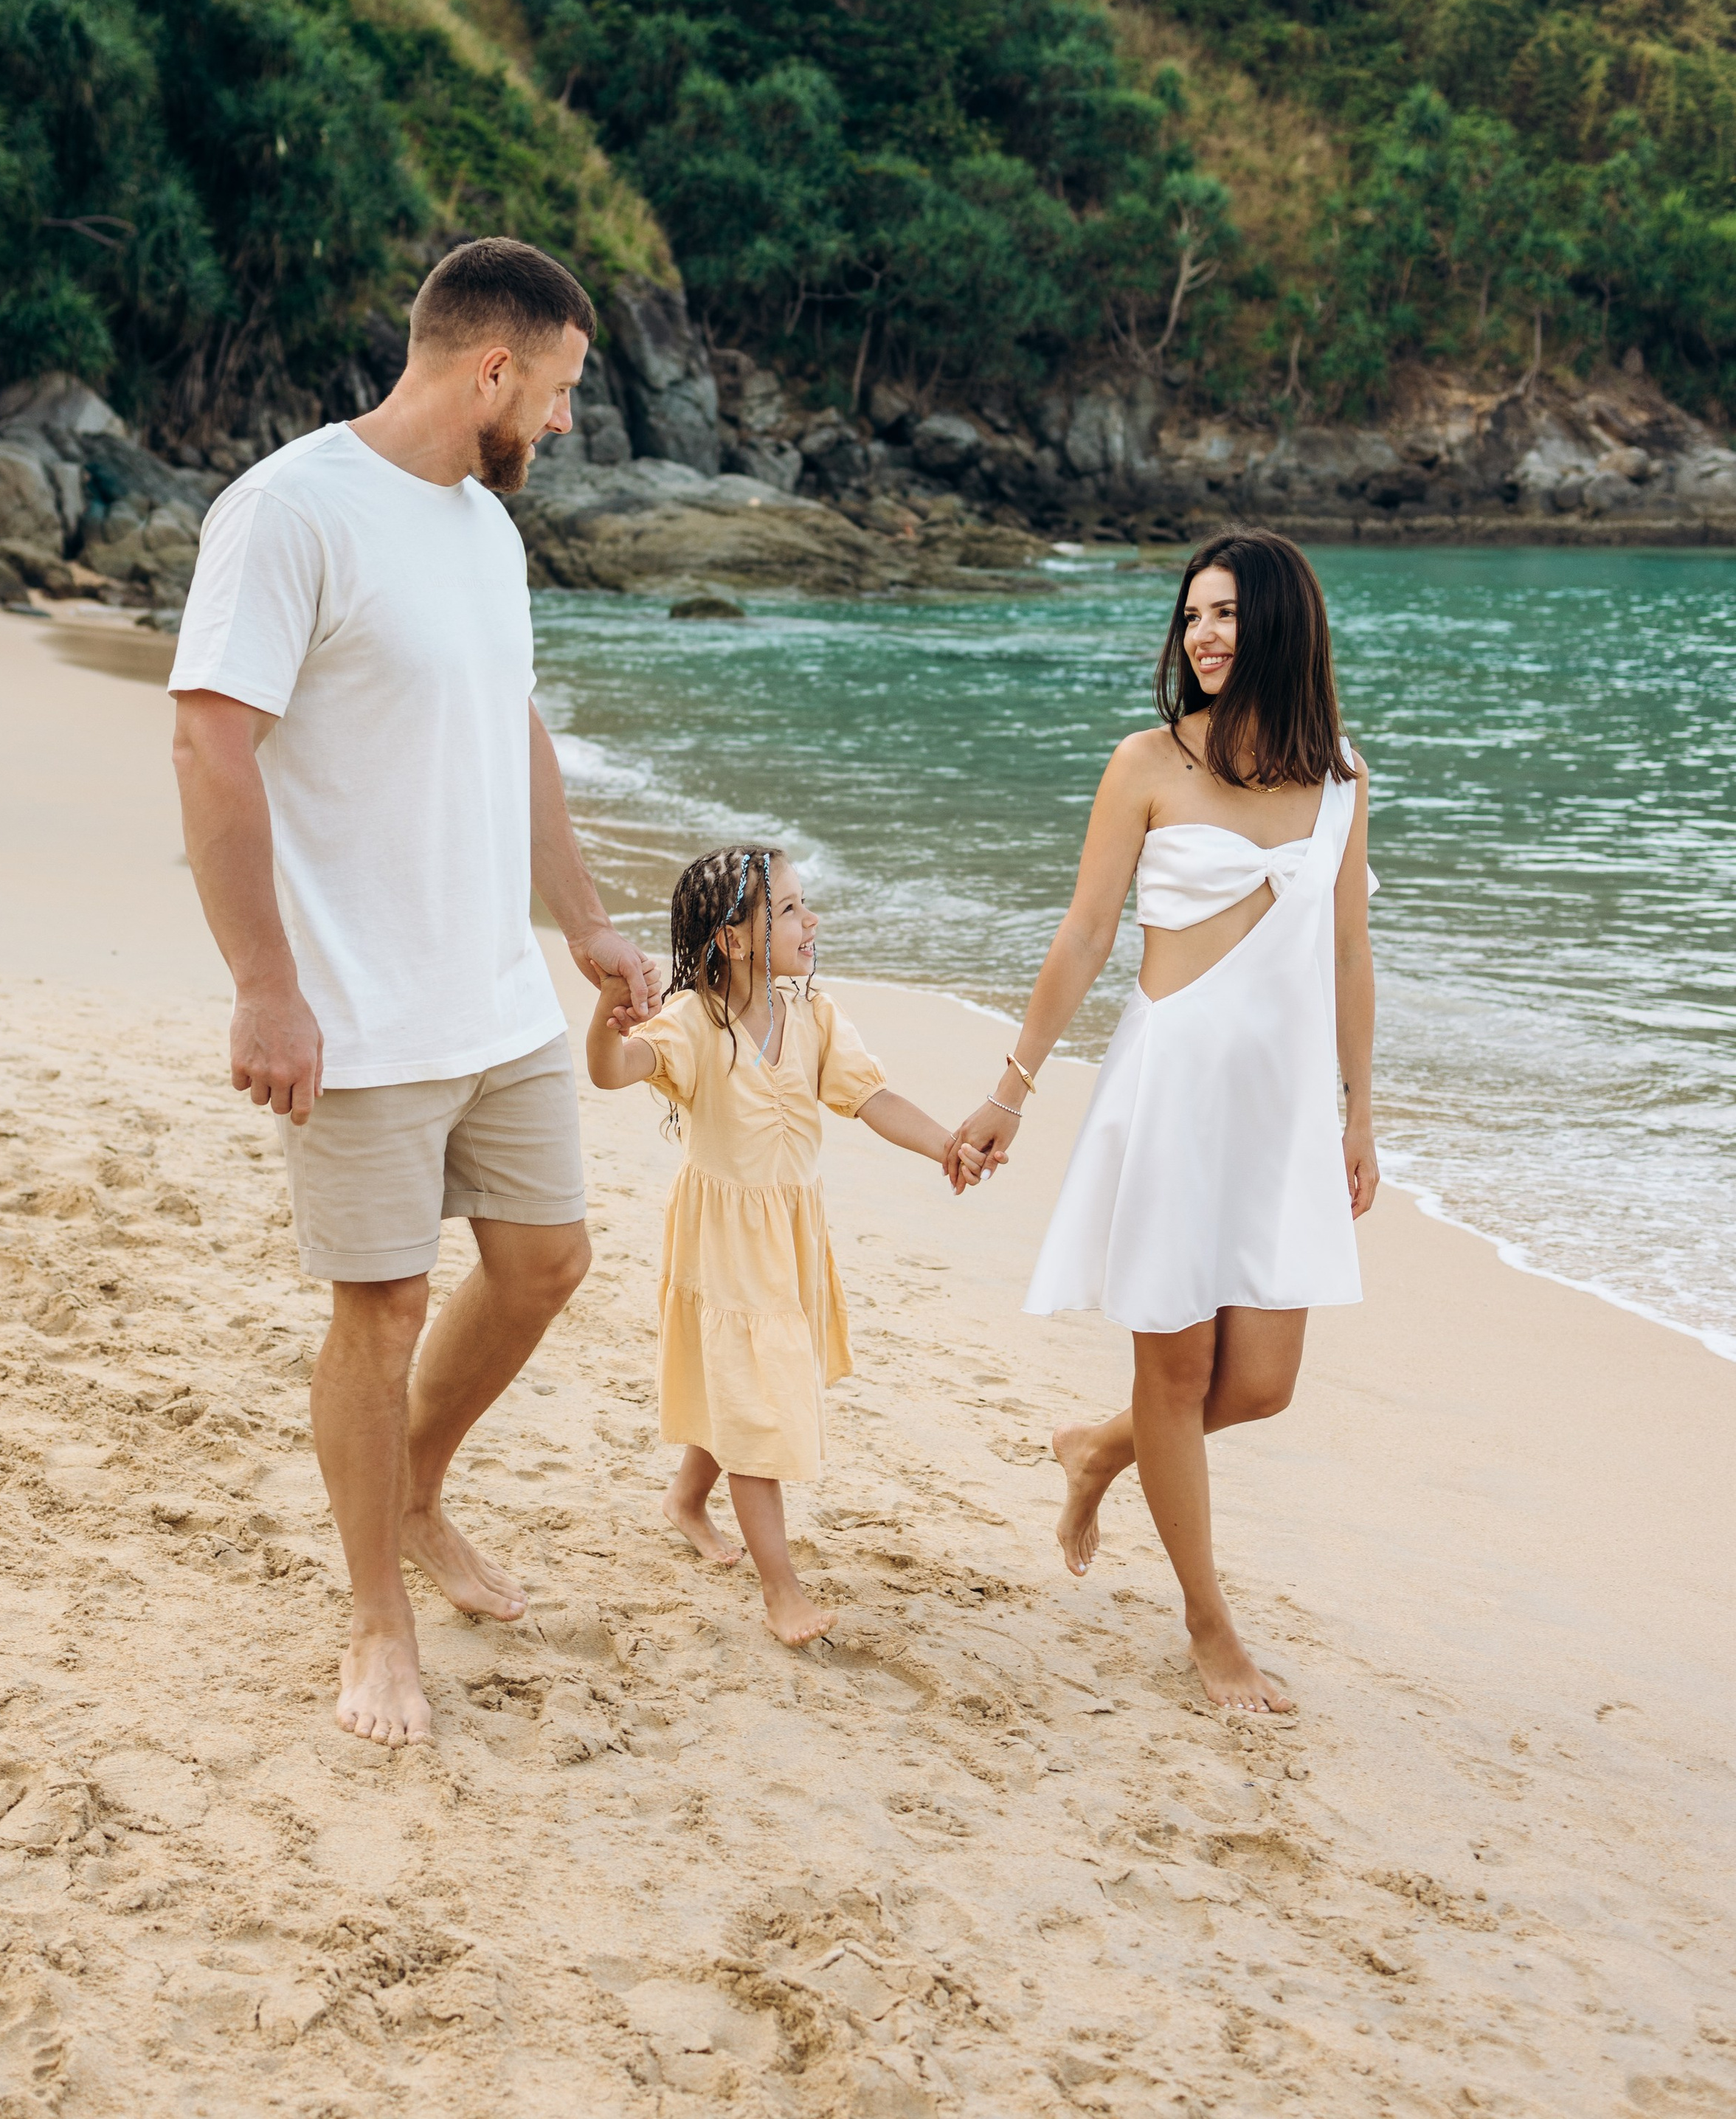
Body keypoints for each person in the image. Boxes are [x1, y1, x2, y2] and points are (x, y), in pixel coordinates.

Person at [169, 236, 656, 1749]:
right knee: (376, 1310)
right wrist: (265, 985)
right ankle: (375, 1612)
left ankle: (420, 1490)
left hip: (491, 992)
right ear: (491, 369)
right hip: (357, 1008)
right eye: (561, 391)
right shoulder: (290, 510)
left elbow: (511, 727)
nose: (565, 425)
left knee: (544, 1261)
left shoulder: (482, 531)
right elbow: (207, 742)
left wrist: (578, 921)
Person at [945, 532, 1379, 1715]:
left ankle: (1098, 1444)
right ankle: (1209, 1624)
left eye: (1229, 614)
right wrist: (1010, 1087)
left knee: (1263, 1381)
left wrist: (1361, 1111)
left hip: (1284, 1111)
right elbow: (1086, 935)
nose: (1205, 634)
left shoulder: (1340, 778)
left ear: (1282, 624)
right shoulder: (1145, 762)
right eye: (1193, 616)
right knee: (1180, 1368)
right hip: (1172, 1094)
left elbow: (1348, 950)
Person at [587, 848, 958, 1645]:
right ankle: (780, 1590)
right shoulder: (692, 1024)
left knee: (746, 1385)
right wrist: (604, 1014)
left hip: (787, 1235)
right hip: (723, 1243)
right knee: (757, 1401)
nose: (809, 919)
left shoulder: (814, 1016)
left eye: (802, 903)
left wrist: (946, 1146)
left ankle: (686, 1499)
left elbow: (874, 1098)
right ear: (734, 939)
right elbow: (614, 1068)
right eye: (787, 908)